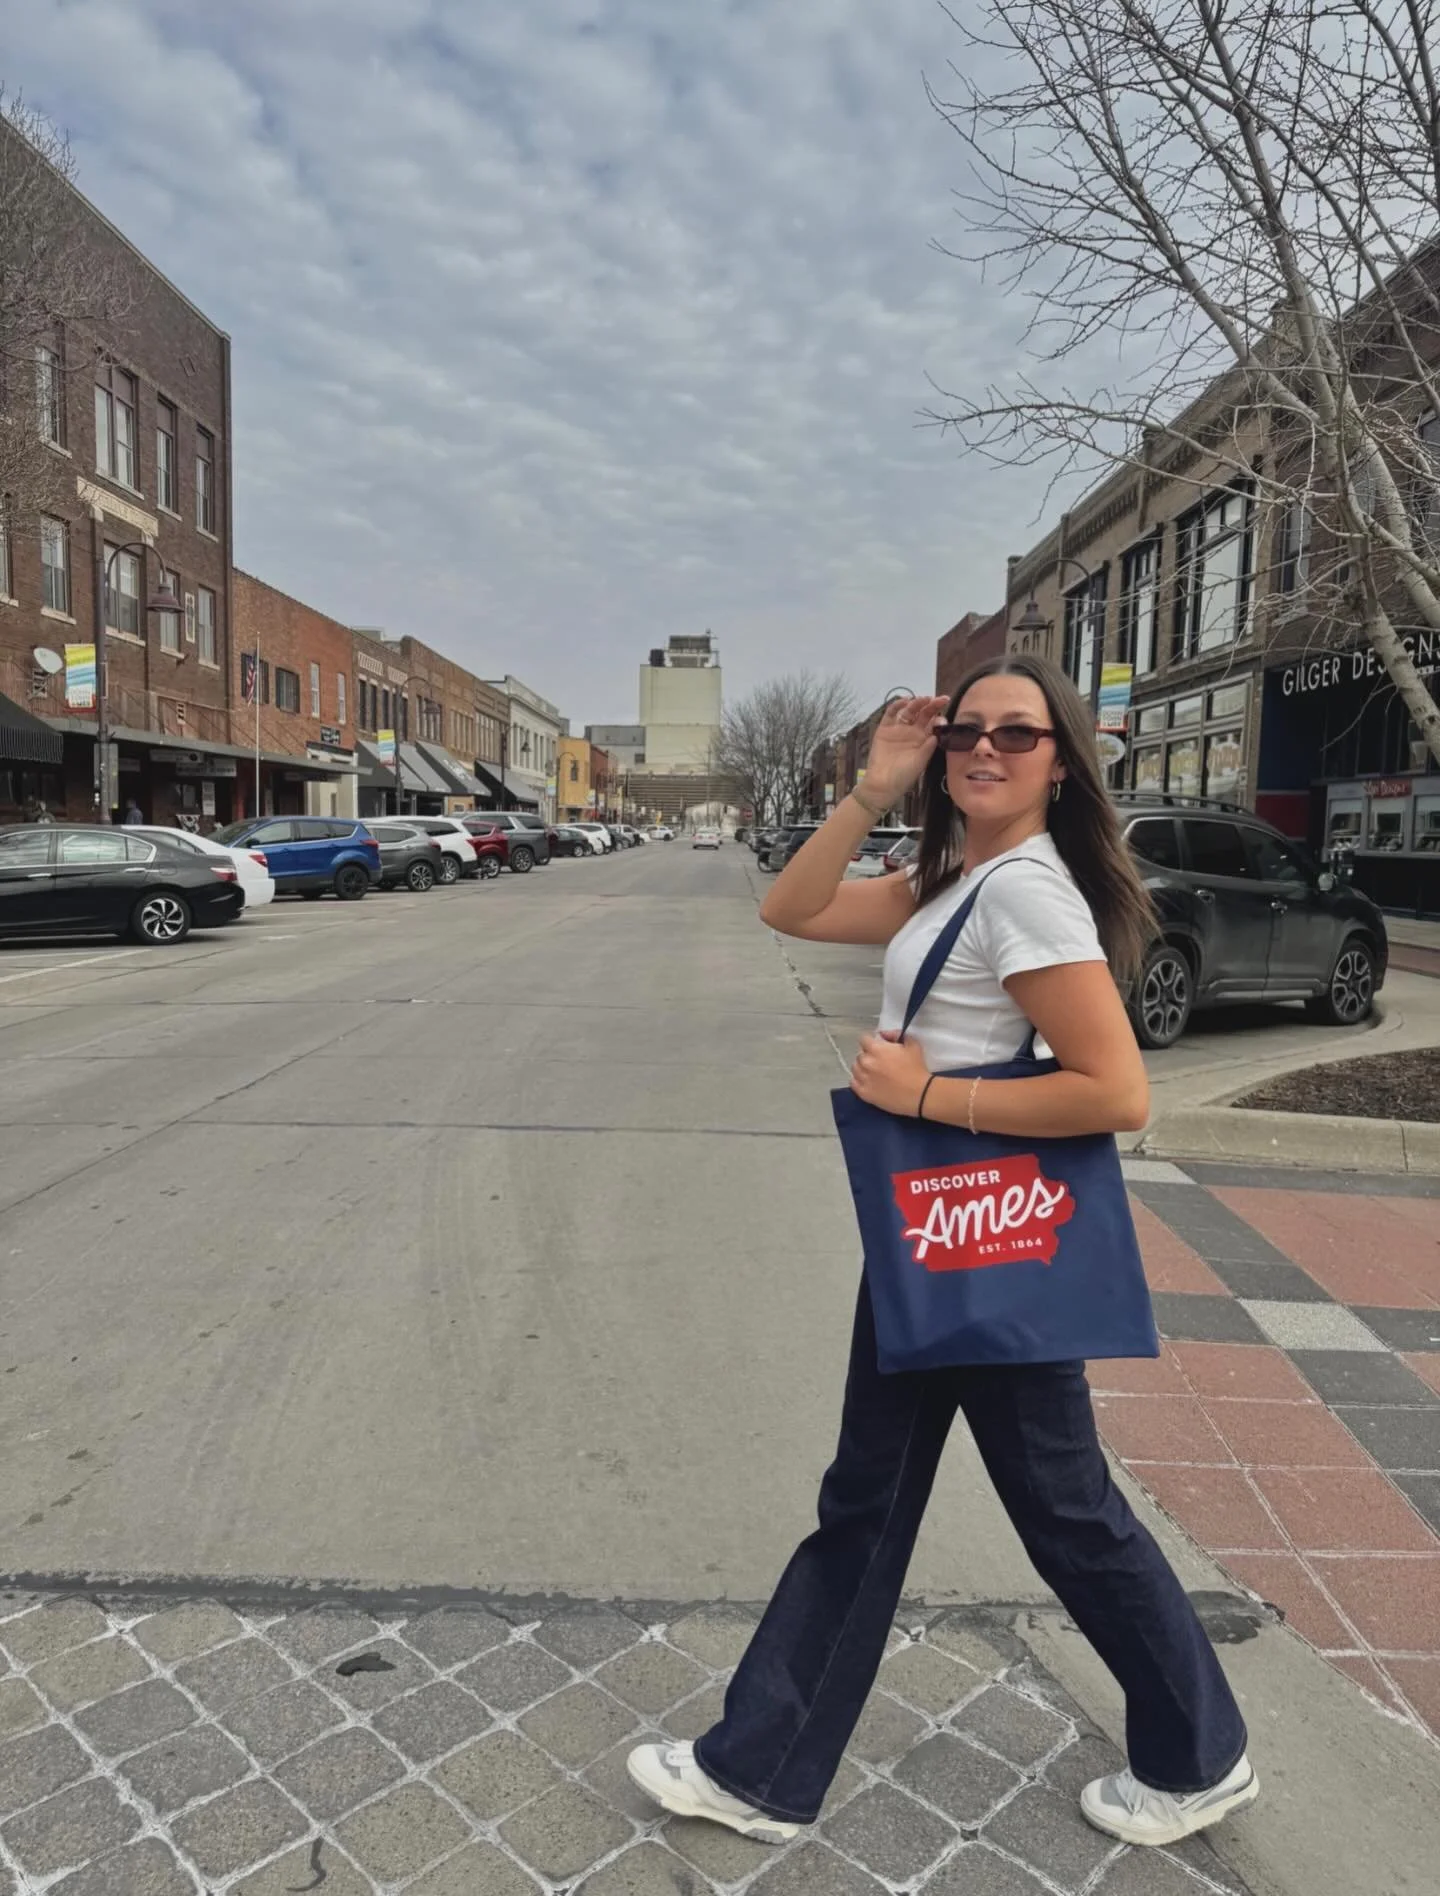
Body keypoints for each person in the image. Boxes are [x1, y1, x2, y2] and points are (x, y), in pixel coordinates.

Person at [628, 655, 1256, 1850]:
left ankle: (1200, 1755)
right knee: (882, 1500)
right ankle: (762, 1768)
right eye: (967, 728)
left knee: (1061, 1514)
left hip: (982, 1238)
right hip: (940, 1237)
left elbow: (1114, 1091)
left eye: (1016, 735)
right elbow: (791, 908)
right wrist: (874, 787)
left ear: (1060, 761)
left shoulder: (1028, 894)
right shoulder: (960, 876)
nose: (984, 747)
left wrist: (931, 1094)